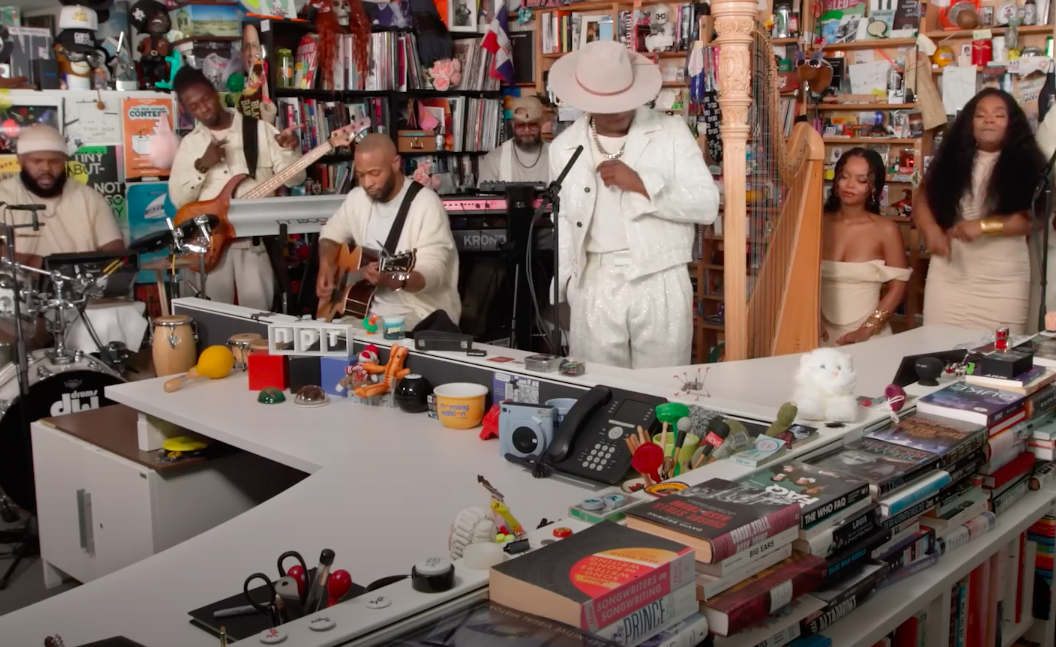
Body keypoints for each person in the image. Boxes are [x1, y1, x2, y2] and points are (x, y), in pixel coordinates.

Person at [547, 41, 719, 369]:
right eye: (607, 103)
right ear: (586, 101)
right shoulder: (564, 147)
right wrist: (568, 281)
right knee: (599, 384)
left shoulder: (671, 132)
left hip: (660, 274)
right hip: (594, 280)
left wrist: (642, 185)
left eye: (625, 99)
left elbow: (707, 204)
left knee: (662, 386)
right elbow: (564, 218)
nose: (620, 110)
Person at [168, 66, 303, 311]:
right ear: (187, 110)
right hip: (211, 244)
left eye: (205, 99)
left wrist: (287, 151)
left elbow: (296, 179)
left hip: (255, 242)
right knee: (214, 316)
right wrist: (202, 165)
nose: (204, 108)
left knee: (259, 315)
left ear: (214, 92)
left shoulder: (260, 130)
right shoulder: (190, 145)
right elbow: (179, 200)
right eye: (194, 106)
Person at [915, 88, 1046, 334]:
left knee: (996, 352)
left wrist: (984, 226)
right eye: (980, 115)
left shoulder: (1029, 164)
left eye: (999, 115)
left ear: (1012, 123)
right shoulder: (950, 160)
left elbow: (1033, 220)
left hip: (1003, 280)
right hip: (948, 274)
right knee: (938, 346)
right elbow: (922, 199)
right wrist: (931, 229)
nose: (989, 120)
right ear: (969, 123)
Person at [316, 134, 461, 329]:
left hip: (418, 315)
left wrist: (393, 279)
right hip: (364, 314)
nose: (367, 183)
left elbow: (433, 273)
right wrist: (326, 266)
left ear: (395, 163)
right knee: (323, 339)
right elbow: (330, 234)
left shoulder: (426, 204)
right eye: (361, 175)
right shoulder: (357, 199)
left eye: (374, 173)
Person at [821, 148, 910, 346]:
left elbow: (899, 285)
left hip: (869, 336)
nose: (850, 185)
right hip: (818, 332)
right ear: (835, 181)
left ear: (874, 188)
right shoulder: (817, 224)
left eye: (861, 180)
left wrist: (867, 329)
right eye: (844, 177)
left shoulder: (886, 229)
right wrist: (811, 318)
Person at [0, 124, 123, 266]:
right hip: (21, 281)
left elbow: (114, 248)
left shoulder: (89, 197)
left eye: (55, 161)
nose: (46, 168)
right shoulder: (3, 196)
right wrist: (38, 265)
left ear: (65, 160)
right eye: (37, 161)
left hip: (80, 280)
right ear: (20, 160)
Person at [478, 96, 550, 185]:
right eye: (521, 125)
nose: (527, 130)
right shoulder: (494, 159)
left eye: (532, 124)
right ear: (512, 125)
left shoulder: (556, 156)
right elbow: (484, 193)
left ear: (540, 124)